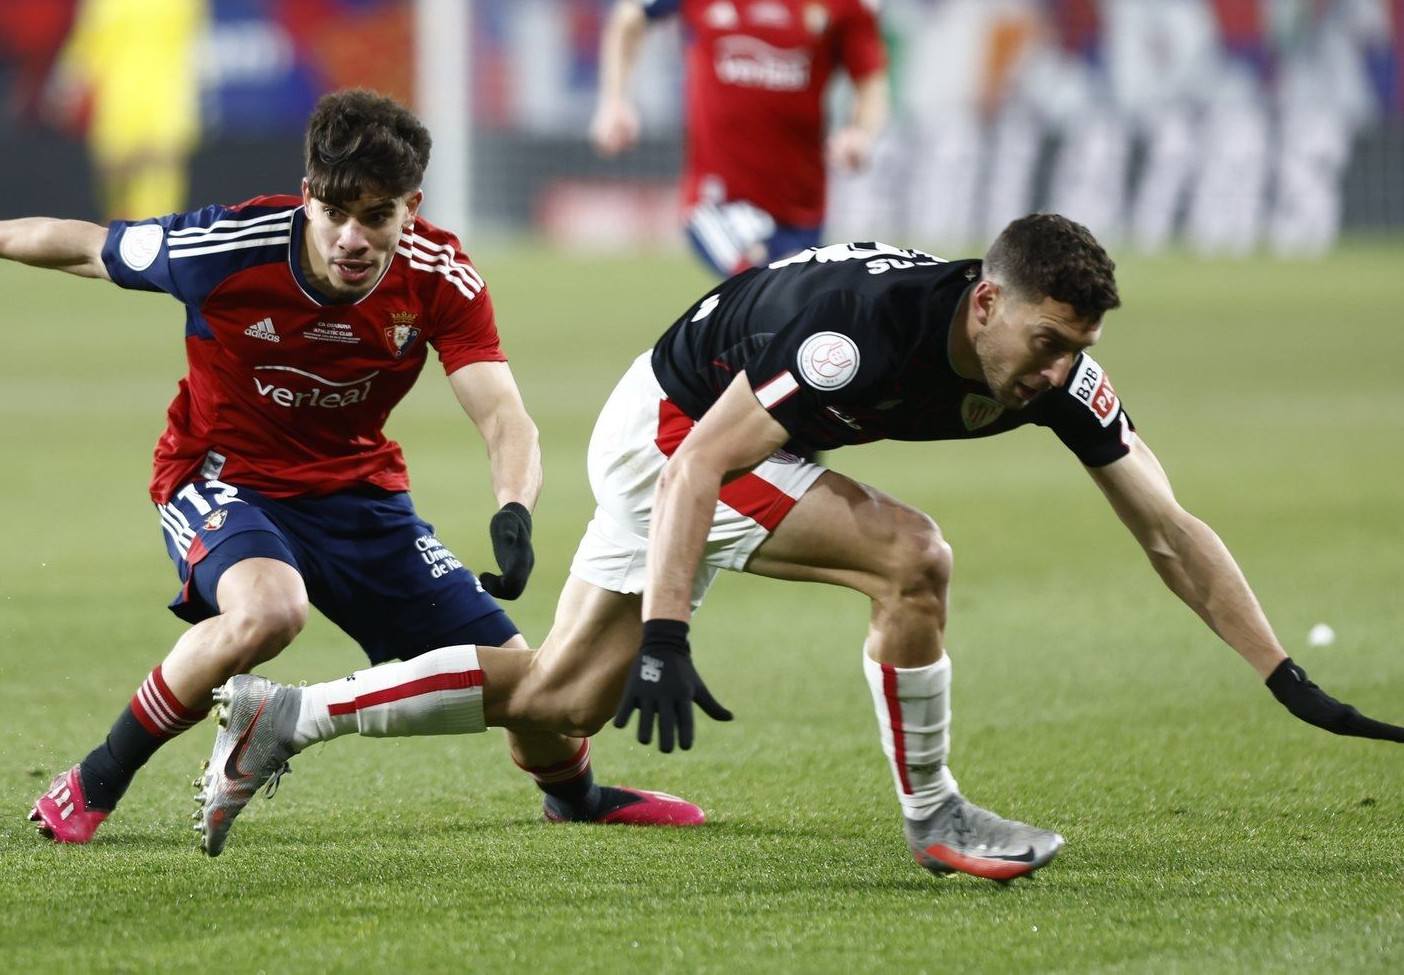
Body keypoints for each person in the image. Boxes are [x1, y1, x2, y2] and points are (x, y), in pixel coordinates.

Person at [194, 215, 1404, 876]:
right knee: (911, 555)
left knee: (556, 709)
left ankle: (287, 717)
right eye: (1040, 342)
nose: (1052, 370)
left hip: (694, 428)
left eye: (1069, 351)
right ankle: (936, 818)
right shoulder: (858, 340)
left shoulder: (1057, 378)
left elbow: (1168, 531)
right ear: (984, 304)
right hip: (677, 427)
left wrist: (1279, 675)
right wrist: (667, 633)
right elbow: (699, 462)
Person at [0, 88, 698, 847]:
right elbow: (82, 246)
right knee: (268, 613)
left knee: (530, 682)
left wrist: (513, 508)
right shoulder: (228, 244)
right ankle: (94, 779)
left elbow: (502, 410)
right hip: (223, 477)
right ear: (307, 195)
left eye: (376, 215)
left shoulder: (440, 273)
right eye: (335, 211)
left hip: (363, 495)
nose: (352, 237)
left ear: (412, 206)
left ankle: (575, 796)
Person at [590, 0, 890, 277]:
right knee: (763, 289)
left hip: (802, 204)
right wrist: (614, 100)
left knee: (779, 332)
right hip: (716, 200)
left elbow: (872, 79)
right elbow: (627, 20)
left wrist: (861, 133)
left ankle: (706, 351)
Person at [49, 0, 208, 222]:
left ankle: (160, 233)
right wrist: (67, 85)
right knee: (115, 165)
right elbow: (87, 43)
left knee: (162, 161)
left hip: (169, 91)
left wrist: (204, 90)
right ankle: (120, 223)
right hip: (120, 92)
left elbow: (197, 45)